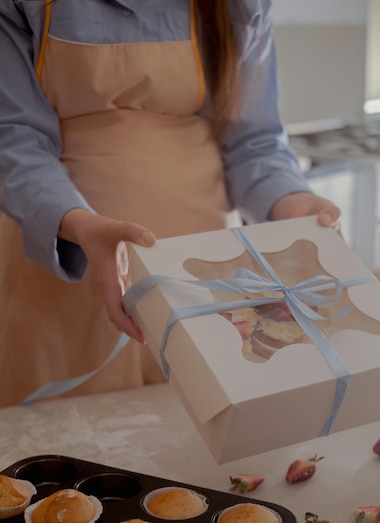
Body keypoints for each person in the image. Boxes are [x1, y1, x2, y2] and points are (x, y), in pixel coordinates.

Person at [0, 0, 340, 408]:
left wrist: (292, 203)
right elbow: (12, 136)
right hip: (66, 257)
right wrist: (78, 223)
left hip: (206, 270)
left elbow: (255, 143)